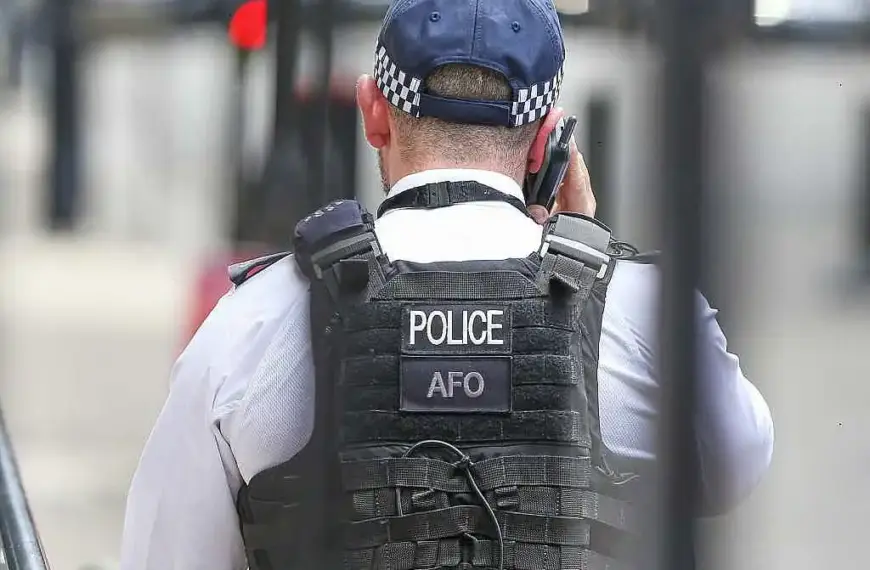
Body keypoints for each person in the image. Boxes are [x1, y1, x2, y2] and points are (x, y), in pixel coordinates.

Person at [118, 1, 775, 569]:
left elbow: (167, 552)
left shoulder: (251, 327)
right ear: (550, 140)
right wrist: (588, 252)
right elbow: (734, 471)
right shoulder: (648, 316)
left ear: (374, 113)